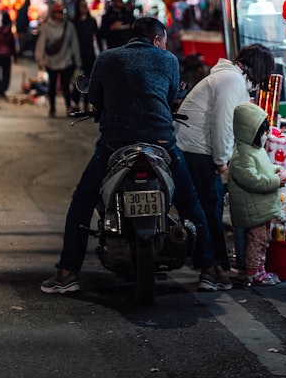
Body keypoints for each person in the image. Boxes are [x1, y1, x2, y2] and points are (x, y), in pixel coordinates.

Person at [41, 17, 232, 294]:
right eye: (163, 41)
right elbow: (168, 99)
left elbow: (95, 98)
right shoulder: (168, 61)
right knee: (191, 204)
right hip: (161, 141)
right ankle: (210, 270)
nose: (164, 46)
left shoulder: (106, 58)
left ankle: (67, 272)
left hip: (115, 144)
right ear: (157, 40)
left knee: (82, 203)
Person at [175, 43, 275, 272]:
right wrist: (221, 160)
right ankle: (214, 266)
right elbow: (222, 123)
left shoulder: (230, 78)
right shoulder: (231, 80)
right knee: (210, 206)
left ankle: (213, 262)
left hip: (194, 148)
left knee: (209, 206)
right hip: (197, 150)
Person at [227, 102, 286, 286]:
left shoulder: (256, 150)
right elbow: (253, 180)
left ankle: (260, 269)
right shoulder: (241, 156)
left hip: (261, 207)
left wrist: (277, 169)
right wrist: (278, 180)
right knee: (256, 241)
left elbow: (265, 168)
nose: (265, 136)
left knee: (263, 240)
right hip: (252, 209)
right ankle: (253, 273)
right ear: (250, 132)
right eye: (262, 132)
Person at [35, 3, 80, 117]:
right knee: (52, 85)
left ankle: (68, 107)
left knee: (65, 85)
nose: (61, 15)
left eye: (62, 12)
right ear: (53, 14)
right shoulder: (46, 27)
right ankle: (53, 108)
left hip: (66, 60)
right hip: (51, 61)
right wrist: (39, 60)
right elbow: (41, 44)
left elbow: (74, 44)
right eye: (58, 12)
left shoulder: (69, 27)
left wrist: (78, 60)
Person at [69, 0, 100, 112]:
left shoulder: (91, 21)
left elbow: (98, 37)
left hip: (89, 55)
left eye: (84, 5)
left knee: (87, 81)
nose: (83, 8)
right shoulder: (73, 22)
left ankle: (86, 104)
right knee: (77, 80)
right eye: (81, 6)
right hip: (76, 55)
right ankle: (76, 103)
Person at [0, 11, 16, 99]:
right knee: (6, 73)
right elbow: (12, 45)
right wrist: (14, 55)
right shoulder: (9, 33)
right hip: (6, 55)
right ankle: (3, 89)